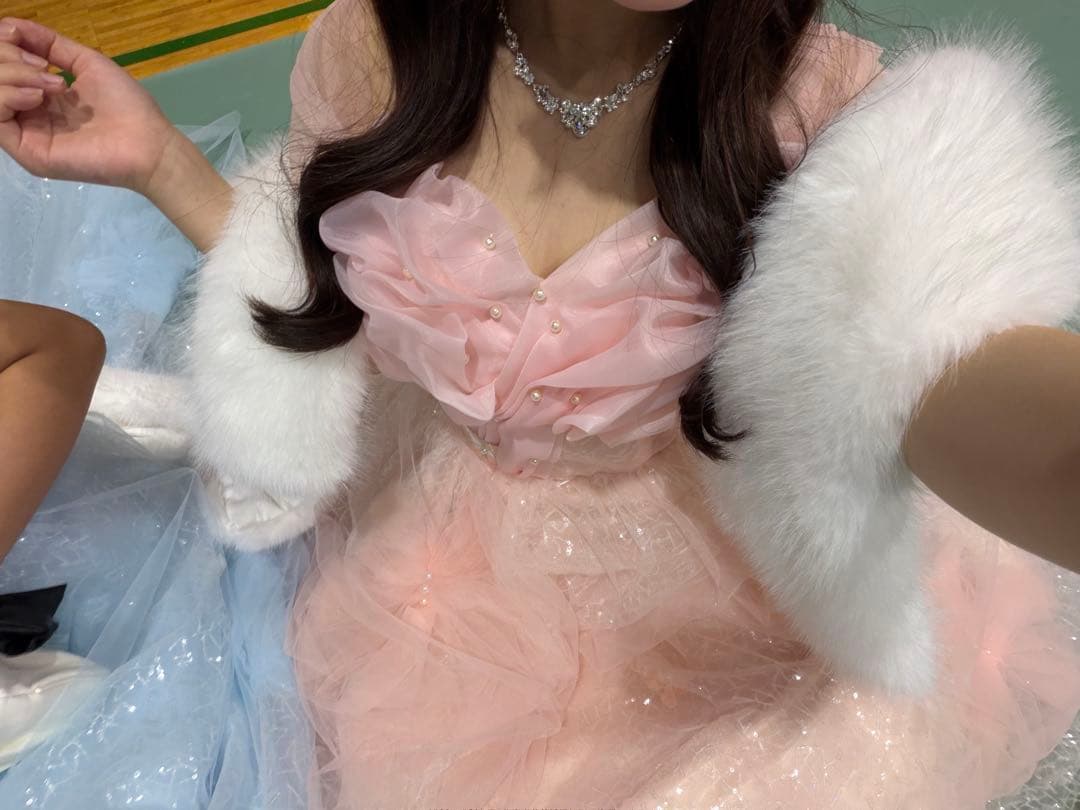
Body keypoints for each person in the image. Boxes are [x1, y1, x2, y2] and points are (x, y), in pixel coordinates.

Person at [1, 2, 1079, 808]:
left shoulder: (832, 107)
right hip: (428, 571)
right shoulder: (373, 48)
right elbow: (325, 305)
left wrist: (997, 405)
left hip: (725, 598)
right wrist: (159, 161)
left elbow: (940, 368)